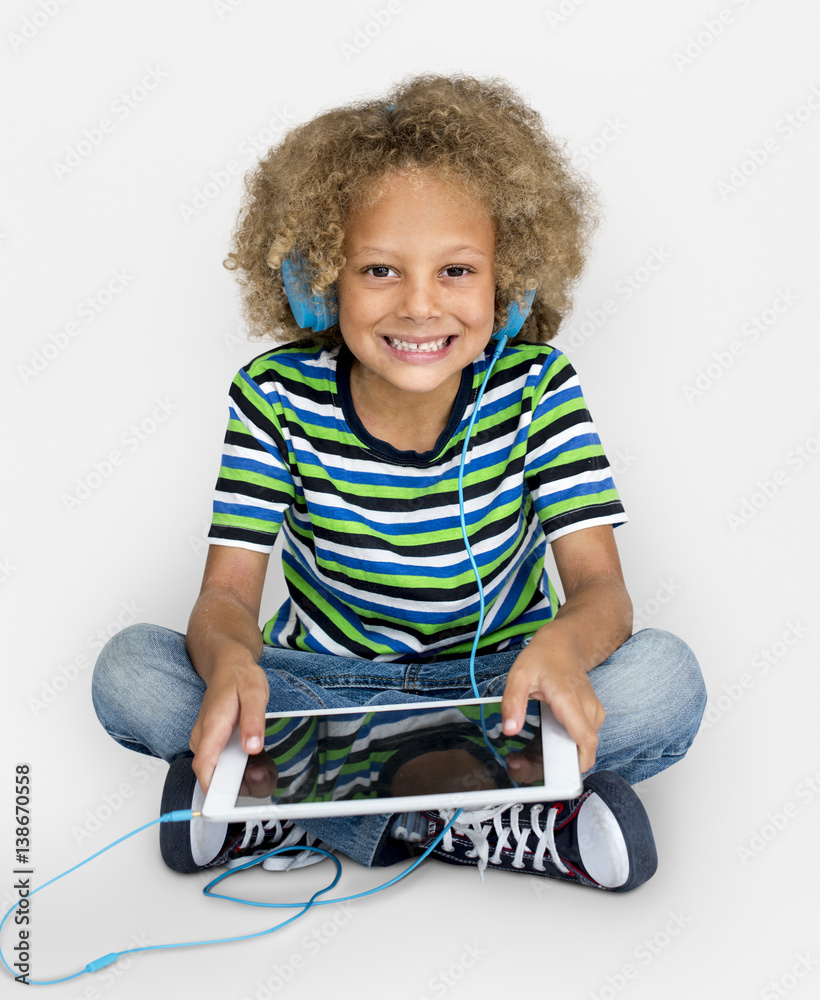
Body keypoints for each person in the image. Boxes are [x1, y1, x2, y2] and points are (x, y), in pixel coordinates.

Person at [92, 73, 706, 890]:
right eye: (380, 270)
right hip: (321, 688)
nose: (420, 306)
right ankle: (488, 821)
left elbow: (603, 592)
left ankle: (287, 808)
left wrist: (559, 649)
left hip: (499, 685)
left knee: (664, 679)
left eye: (457, 272)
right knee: (130, 672)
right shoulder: (275, 395)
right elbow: (228, 597)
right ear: (320, 284)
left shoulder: (537, 387)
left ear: (509, 285)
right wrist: (236, 663)